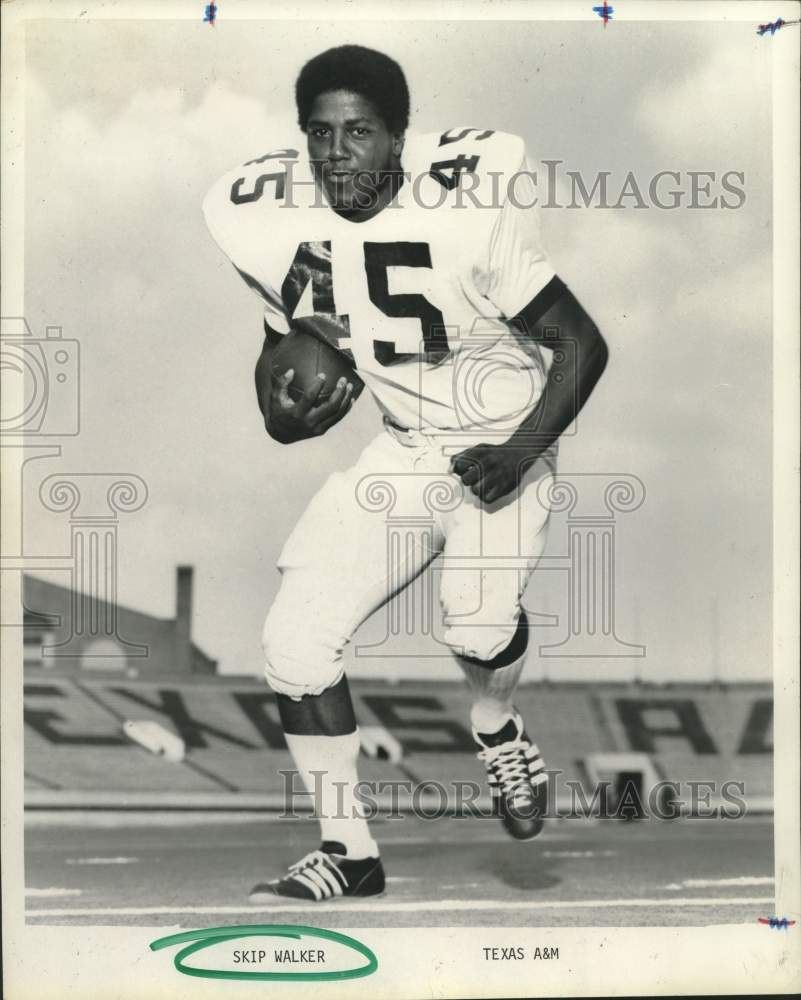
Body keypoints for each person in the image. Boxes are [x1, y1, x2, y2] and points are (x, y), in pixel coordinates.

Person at [203, 44, 608, 902]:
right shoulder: (270, 222)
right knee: (293, 641)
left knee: (473, 627)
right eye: (319, 133)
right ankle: (349, 852)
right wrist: (278, 413)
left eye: (358, 132)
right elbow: (283, 339)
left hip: (505, 433)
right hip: (404, 445)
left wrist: (519, 451)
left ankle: (497, 727)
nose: (335, 152)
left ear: (398, 139)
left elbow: (580, 344)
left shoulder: (465, 213)